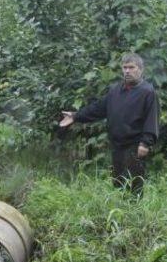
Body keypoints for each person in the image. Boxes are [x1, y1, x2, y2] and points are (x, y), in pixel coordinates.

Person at [59, 53, 159, 196]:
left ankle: (135, 214)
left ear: (141, 69)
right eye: (124, 68)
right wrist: (75, 116)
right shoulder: (115, 90)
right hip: (117, 145)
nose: (127, 71)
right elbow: (98, 108)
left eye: (131, 67)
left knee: (134, 185)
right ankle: (119, 212)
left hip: (135, 145)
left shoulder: (147, 92)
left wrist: (145, 142)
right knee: (118, 183)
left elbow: (152, 118)